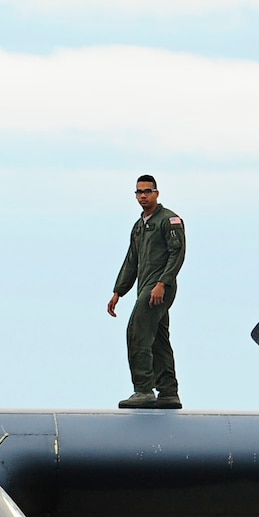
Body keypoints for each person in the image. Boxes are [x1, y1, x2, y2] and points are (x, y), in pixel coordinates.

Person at [106, 174, 186, 410]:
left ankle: (143, 389)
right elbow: (132, 260)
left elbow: (177, 254)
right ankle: (168, 392)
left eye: (147, 191)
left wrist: (163, 283)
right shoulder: (140, 225)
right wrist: (119, 291)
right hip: (145, 287)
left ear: (156, 193)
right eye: (139, 192)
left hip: (160, 287)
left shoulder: (169, 220)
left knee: (137, 332)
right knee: (159, 339)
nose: (143, 195)